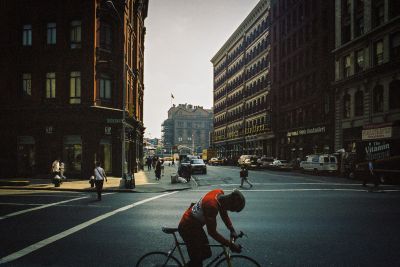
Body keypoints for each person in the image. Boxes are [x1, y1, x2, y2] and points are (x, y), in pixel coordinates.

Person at [178, 189, 244, 267]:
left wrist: (231, 229)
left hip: (195, 226)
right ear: (229, 201)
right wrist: (230, 245)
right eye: (231, 209)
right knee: (197, 262)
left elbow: (223, 212)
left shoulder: (218, 192)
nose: (229, 210)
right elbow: (212, 232)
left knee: (206, 253)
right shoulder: (211, 206)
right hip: (187, 228)